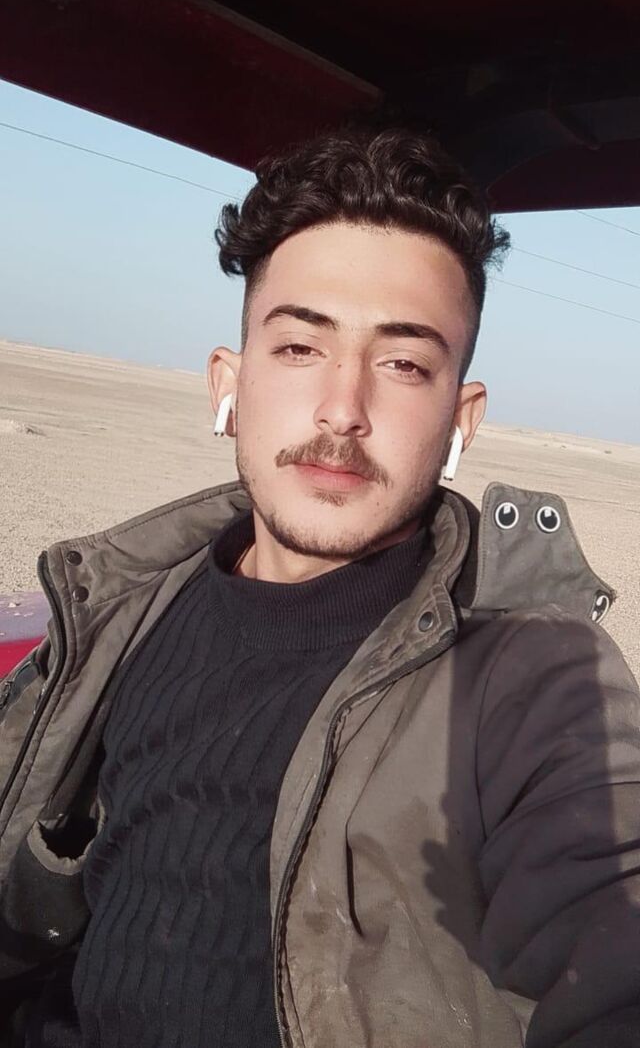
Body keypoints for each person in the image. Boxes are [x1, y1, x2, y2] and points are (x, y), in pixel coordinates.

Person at [0, 127, 639, 1048]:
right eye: (301, 347)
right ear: (229, 383)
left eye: (404, 364)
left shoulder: (532, 680)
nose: (344, 409)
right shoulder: (119, 610)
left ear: (462, 418)